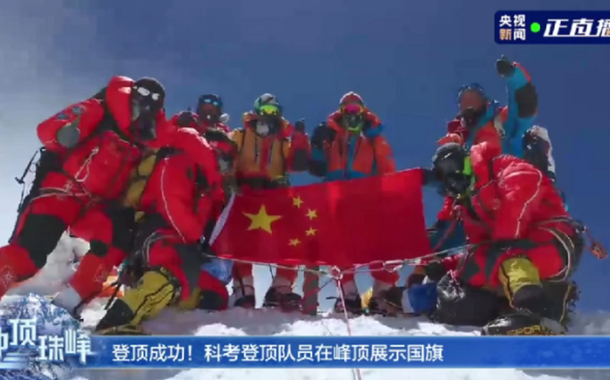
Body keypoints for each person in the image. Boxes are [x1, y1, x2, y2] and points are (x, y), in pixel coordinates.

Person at [385, 142, 586, 335]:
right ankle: (548, 301)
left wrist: (503, 239)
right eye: (443, 176)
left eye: (451, 166)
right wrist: (446, 265)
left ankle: (535, 314)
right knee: (466, 291)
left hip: (556, 242)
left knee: (509, 256)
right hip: (514, 251)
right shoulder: (471, 208)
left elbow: (521, 190)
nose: (451, 177)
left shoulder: (501, 167)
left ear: (466, 160)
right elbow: (479, 250)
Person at [0, 76, 165, 302]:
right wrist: (62, 134)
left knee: (115, 239)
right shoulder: (98, 109)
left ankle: (71, 301)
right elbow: (47, 129)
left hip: (95, 205)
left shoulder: (145, 140)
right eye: (141, 96)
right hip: (61, 190)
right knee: (30, 253)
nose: (145, 105)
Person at [94, 125, 226, 335]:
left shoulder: (203, 181)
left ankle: (159, 302)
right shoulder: (179, 162)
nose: (225, 165)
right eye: (224, 156)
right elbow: (169, 199)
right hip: (161, 235)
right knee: (172, 275)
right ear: (212, 150)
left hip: (182, 243)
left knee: (216, 293)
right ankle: (114, 322)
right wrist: (191, 234)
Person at [308, 91, 397, 315]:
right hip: (337, 200)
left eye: (357, 110)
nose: (352, 115)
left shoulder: (373, 140)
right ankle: (349, 294)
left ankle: (381, 295)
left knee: (380, 245)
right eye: (347, 110)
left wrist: (388, 193)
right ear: (340, 114)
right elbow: (317, 167)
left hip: (367, 200)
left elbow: (388, 169)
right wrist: (317, 145)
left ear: (364, 113)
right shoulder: (332, 139)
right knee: (338, 246)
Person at [229, 93, 310, 311]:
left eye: (274, 112)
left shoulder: (283, 141)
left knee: (293, 235)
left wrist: (301, 141)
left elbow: (298, 164)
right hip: (245, 192)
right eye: (265, 110)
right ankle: (244, 288)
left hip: (275, 195)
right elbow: (227, 156)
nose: (269, 115)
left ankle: (281, 287)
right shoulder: (240, 135)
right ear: (256, 111)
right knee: (241, 238)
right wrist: (232, 180)